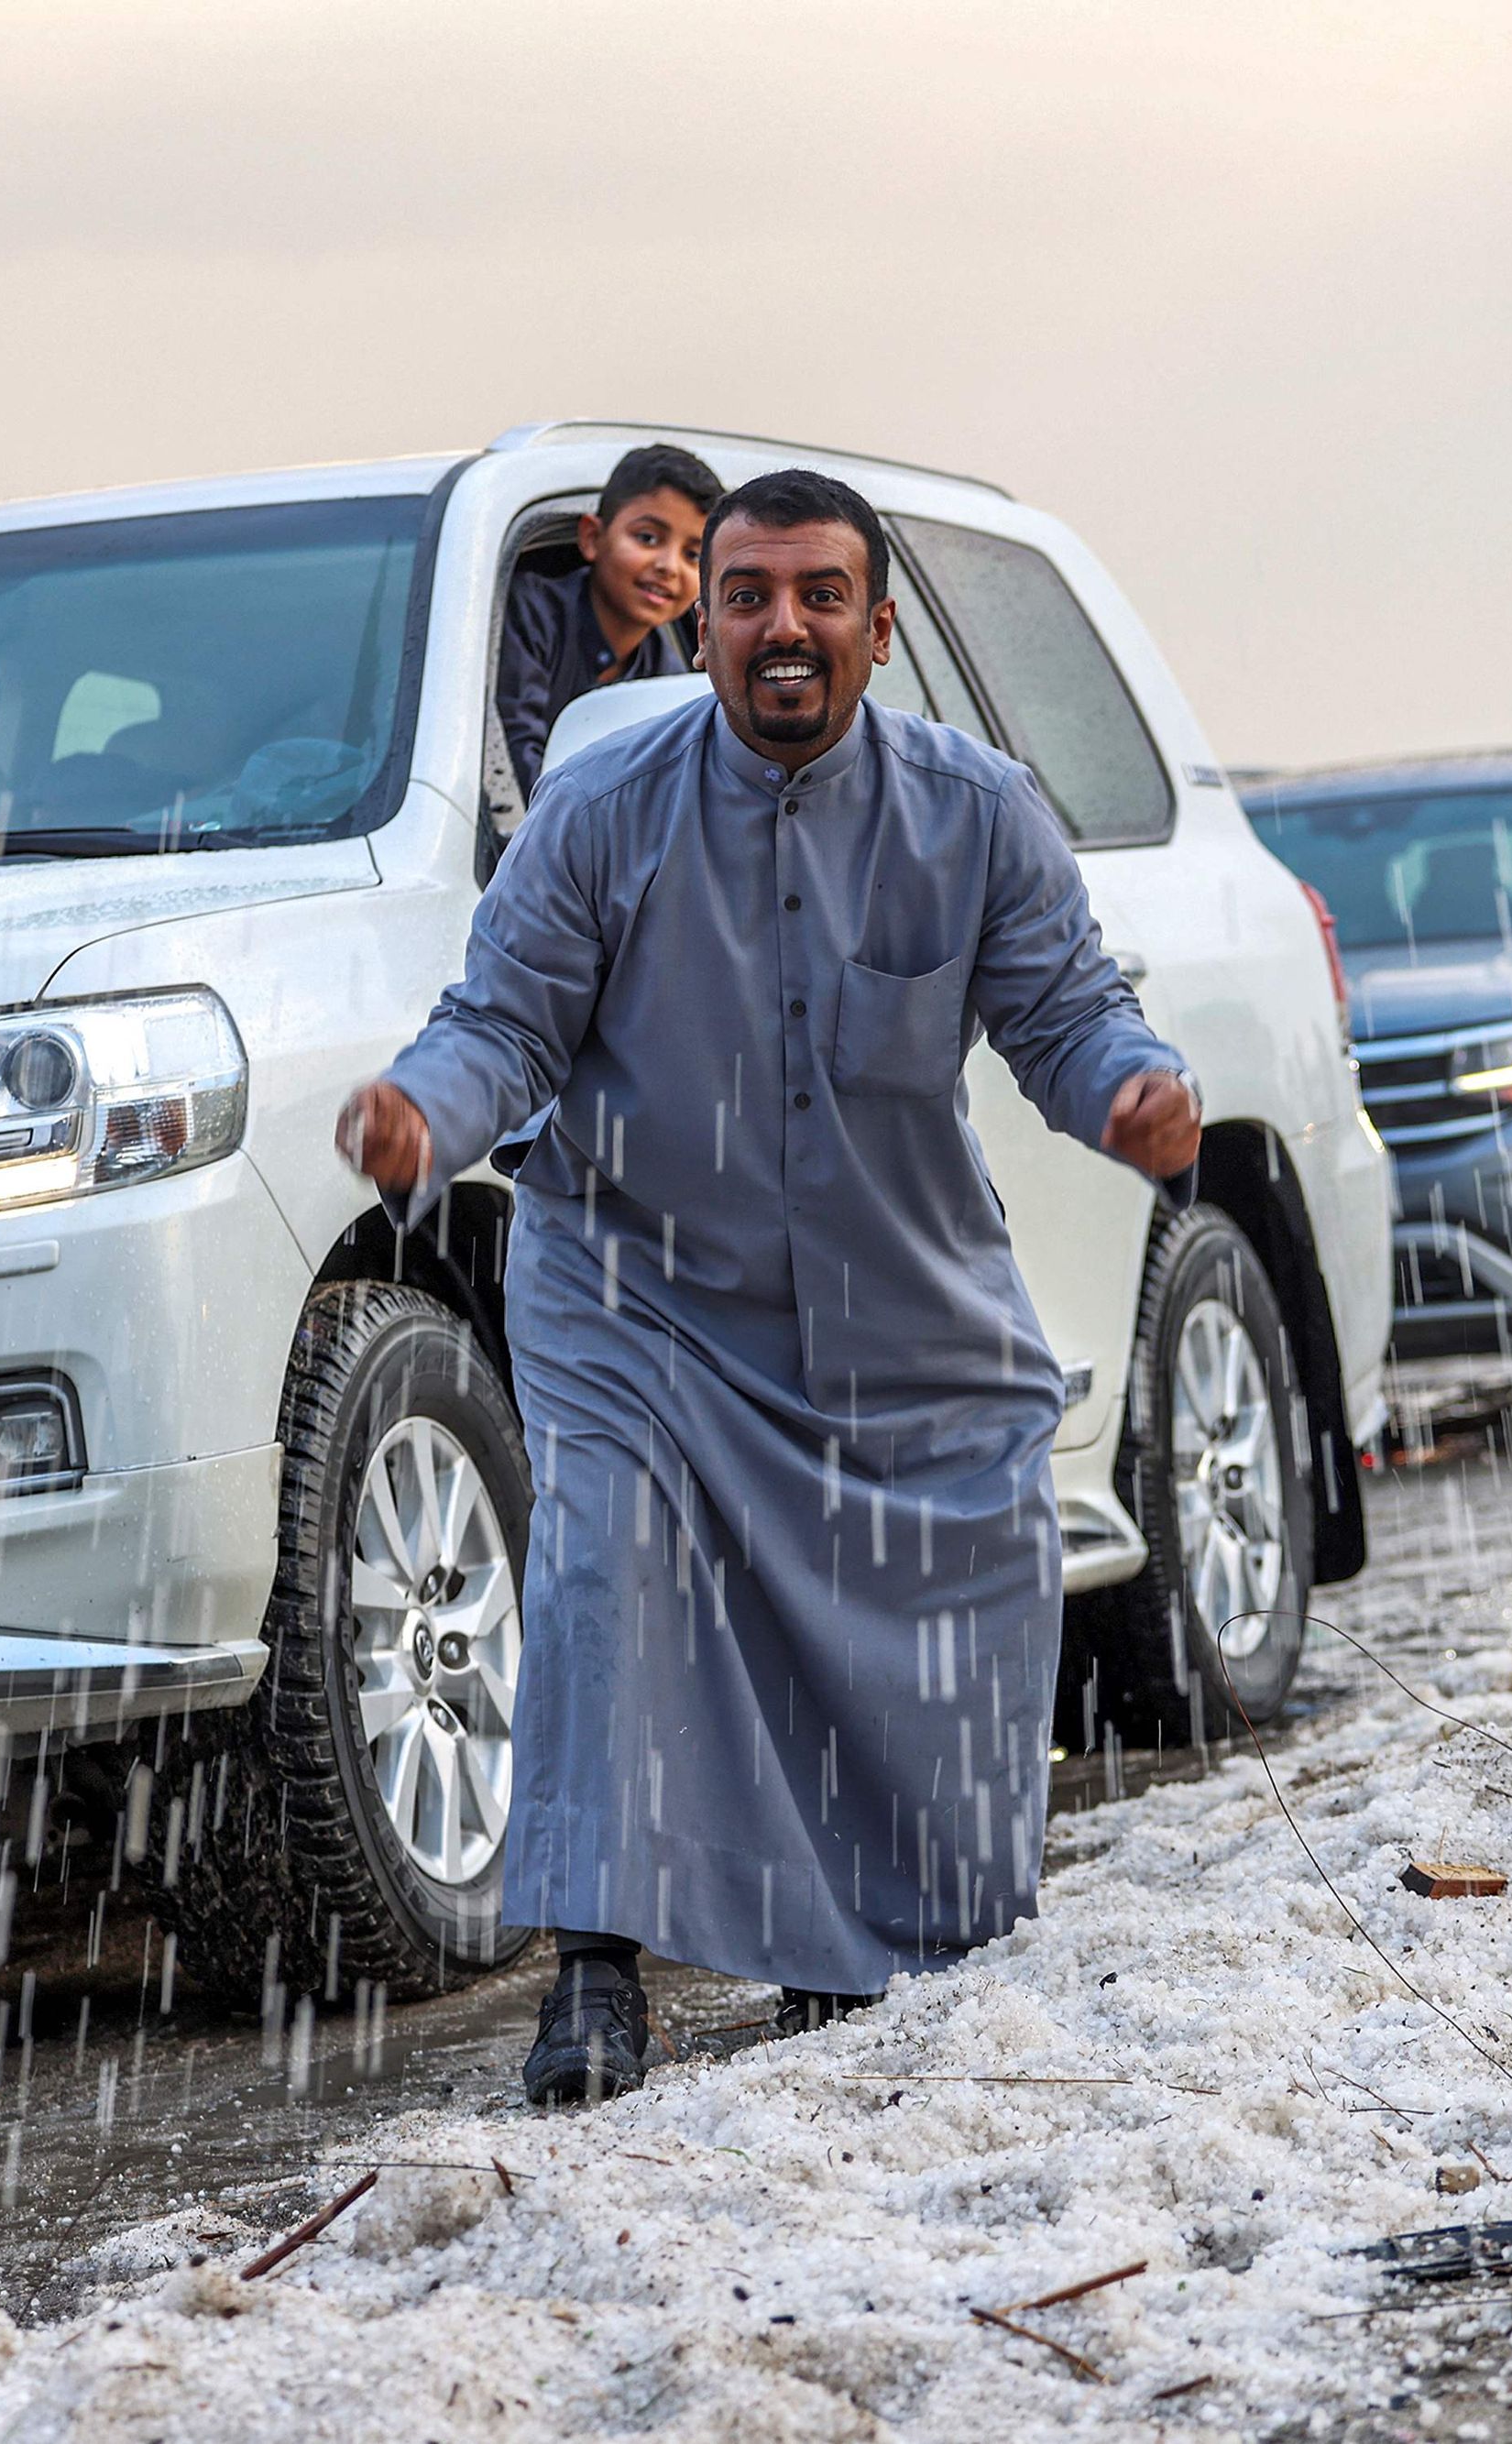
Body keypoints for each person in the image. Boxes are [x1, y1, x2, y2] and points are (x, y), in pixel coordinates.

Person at [338, 468, 1197, 2105]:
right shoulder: (607, 811)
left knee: (959, 1558)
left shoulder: (978, 810)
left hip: (896, 1295)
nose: (781, 628)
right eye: (746, 598)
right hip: (635, 1290)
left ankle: (858, 1944)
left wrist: (1128, 1092)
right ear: (706, 626)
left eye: (818, 597)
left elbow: (1070, 1015)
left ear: (880, 629)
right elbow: (499, 1022)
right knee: (607, 1568)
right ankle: (594, 1975)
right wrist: (421, 1114)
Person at [491, 443, 723, 804]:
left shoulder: (667, 671)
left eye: (692, 555)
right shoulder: (532, 613)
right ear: (592, 538)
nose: (668, 566)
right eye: (648, 538)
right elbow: (514, 753)